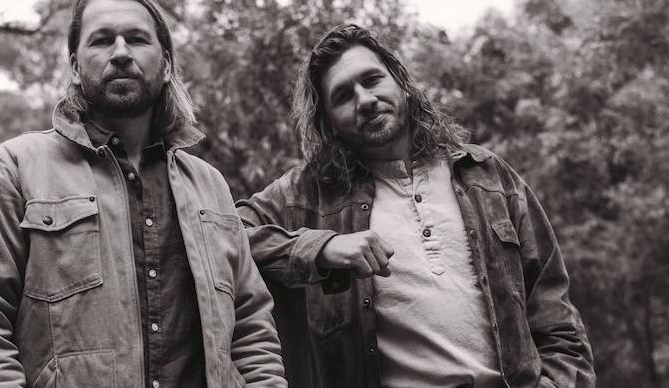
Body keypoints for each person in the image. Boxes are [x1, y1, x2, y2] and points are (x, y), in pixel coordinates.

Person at [0, 0, 286, 388]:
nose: (120, 53)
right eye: (101, 40)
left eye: (137, 39)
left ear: (166, 65)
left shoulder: (209, 186)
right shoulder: (15, 168)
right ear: (74, 66)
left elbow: (251, 327)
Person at [237, 23, 595, 388]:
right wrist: (320, 246)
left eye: (372, 79)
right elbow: (222, 233)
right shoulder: (308, 194)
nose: (364, 99)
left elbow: (555, 314)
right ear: (329, 122)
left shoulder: (487, 176)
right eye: (343, 96)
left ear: (401, 83)